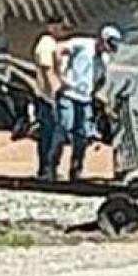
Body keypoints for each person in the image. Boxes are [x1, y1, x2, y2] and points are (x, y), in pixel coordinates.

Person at [49, 24, 122, 181]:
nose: (107, 49)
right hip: (69, 94)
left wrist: (95, 91)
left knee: (82, 135)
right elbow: (59, 49)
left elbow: (102, 78)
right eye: (107, 45)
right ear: (101, 40)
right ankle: (52, 166)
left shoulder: (104, 59)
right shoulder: (82, 44)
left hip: (85, 99)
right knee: (64, 128)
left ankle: (76, 169)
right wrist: (60, 76)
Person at [31, 18, 70, 180]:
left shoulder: (52, 44)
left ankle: (50, 169)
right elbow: (47, 69)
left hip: (51, 96)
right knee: (51, 134)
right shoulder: (46, 43)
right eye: (61, 26)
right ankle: (46, 169)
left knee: (55, 133)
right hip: (49, 98)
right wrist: (54, 92)